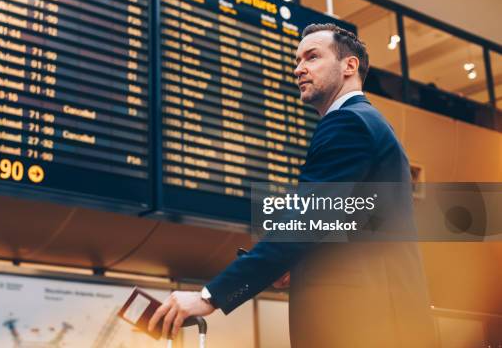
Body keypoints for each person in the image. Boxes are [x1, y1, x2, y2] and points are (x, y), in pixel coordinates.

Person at [148, 23, 437, 347]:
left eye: (312, 57)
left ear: (349, 66)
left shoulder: (348, 123)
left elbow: (303, 223)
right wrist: (299, 262)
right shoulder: (367, 122)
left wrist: (209, 296)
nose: (299, 69)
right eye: (297, 61)